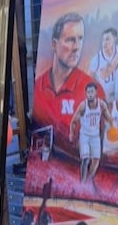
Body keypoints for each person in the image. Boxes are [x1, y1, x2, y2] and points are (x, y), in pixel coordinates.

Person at [34, 13, 106, 152]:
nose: (77, 47)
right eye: (70, 40)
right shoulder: (38, 87)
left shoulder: (93, 90)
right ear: (54, 44)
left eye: (80, 39)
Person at [69, 83, 115, 183]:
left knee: (96, 161)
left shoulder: (102, 104)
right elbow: (73, 121)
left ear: (96, 92)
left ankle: (88, 181)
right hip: (84, 135)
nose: (90, 94)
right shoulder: (83, 105)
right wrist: (71, 133)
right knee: (85, 159)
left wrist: (113, 129)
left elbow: (109, 119)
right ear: (86, 93)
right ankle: (82, 183)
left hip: (95, 136)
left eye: (91, 92)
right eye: (88, 92)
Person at [87, 27, 118, 102]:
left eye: (107, 39)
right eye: (103, 40)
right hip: (105, 98)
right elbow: (88, 79)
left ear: (114, 39)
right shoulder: (96, 59)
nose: (104, 42)